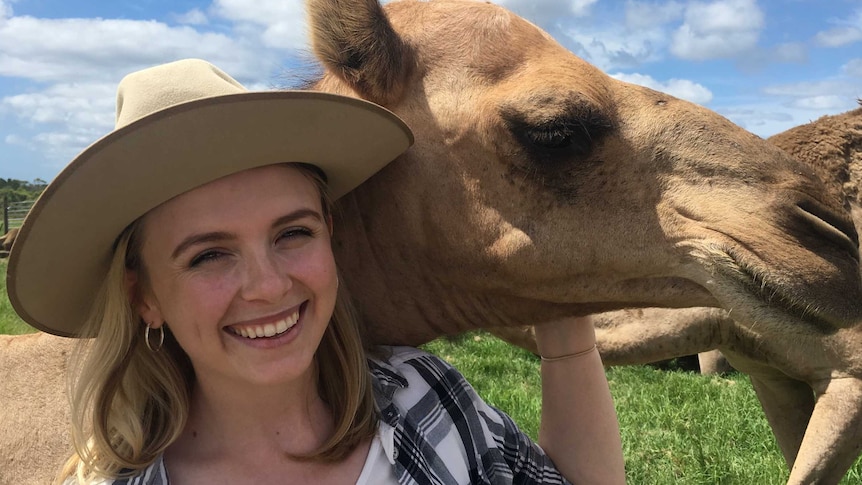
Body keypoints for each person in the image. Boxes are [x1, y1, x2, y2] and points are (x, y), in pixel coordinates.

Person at [7, 59, 625, 485]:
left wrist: (561, 307)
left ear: (330, 236)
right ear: (144, 298)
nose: (270, 285)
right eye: (209, 255)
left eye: (292, 233)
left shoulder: (423, 400)